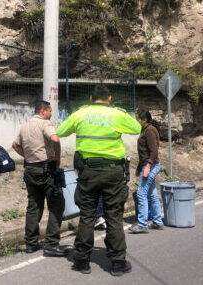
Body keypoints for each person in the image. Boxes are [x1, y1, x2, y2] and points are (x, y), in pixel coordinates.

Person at [57, 85, 141, 276]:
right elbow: (137, 127)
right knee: (113, 216)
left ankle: (81, 261)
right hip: (113, 172)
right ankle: (118, 263)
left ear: (90, 97)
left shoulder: (80, 114)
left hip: (88, 172)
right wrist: (121, 112)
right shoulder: (116, 115)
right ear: (109, 98)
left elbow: (61, 131)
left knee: (87, 216)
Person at [12, 100, 67, 257]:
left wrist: (28, 157)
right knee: (57, 204)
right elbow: (55, 139)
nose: (51, 114)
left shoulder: (24, 126)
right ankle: (51, 243)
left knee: (34, 206)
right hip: (46, 169)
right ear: (43, 111)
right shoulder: (45, 124)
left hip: (30, 169)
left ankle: (30, 243)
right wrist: (56, 158)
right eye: (50, 111)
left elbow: (15, 145)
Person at [129, 110, 164, 233]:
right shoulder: (145, 129)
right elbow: (143, 152)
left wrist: (148, 166)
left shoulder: (150, 130)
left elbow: (154, 151)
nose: (137, 121)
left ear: (144, 120)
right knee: (152, 194)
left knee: (141, 193)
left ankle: (142, 224)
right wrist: (139, 168)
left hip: (151, 165)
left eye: (138, 118)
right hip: (147, 165)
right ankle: (158, 222)